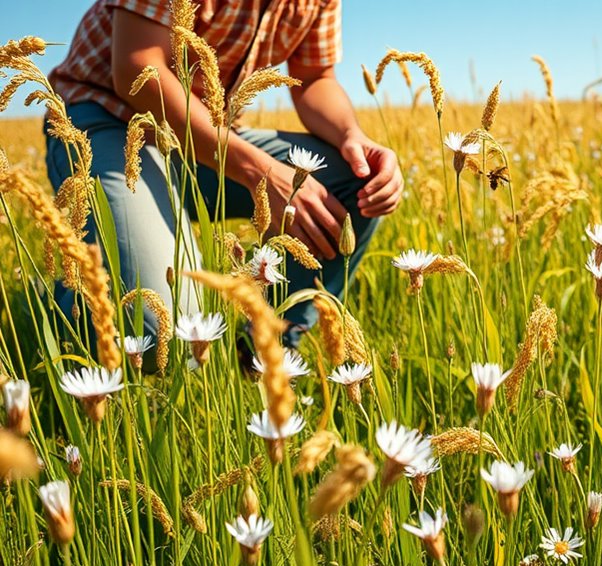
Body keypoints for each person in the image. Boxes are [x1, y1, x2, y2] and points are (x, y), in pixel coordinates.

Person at [45, 0, 402, 348]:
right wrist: (258, 170)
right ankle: (71, 311)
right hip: (109, 121)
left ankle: (269, 347)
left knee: (359, 181)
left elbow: (314, 78)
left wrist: (351, 135)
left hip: (208, 135)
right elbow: (137, 67)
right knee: (155, 331)